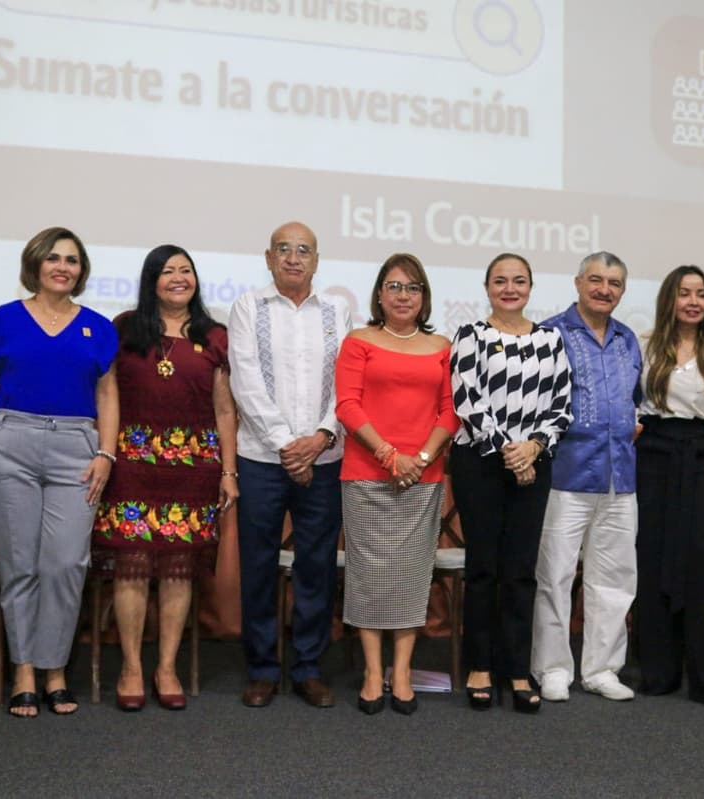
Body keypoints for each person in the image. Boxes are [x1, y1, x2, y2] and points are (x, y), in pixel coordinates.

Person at [92, 245, 239, 712]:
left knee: (178, 568)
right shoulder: (124, 329)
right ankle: (133, 667)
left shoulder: (214, 335)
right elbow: (107, 393)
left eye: (187, 270)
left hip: (195, 468)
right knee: (132, 566)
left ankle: (167, 667)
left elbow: (224, 408)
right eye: (168, 271)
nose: (179, 278)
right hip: (132, 465)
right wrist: (107, 454)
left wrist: (229, 471)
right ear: (151, 280)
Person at [0, 227, 118, 717]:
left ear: (81, 271)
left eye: (73, 260)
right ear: (36, 264)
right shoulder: (2, 320)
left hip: (76, 451)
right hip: (11, 442)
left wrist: (107, 453)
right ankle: (24, 669)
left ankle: (55, 668)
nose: (63, 266)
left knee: (65, 564)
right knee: (20, 564)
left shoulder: (99, 327)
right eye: (54, 258)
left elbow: (106, 394)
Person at [228, 221, 351, 708]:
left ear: (316, 261)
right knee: (257, 565)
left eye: (304, 251)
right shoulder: (247, 307)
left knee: (316, 567)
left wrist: (319, 438)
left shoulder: (338, 310)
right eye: (284, 249)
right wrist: (287, 446)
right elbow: (246, 380)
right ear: (268, 257)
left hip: (325, 458)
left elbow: (348, 380)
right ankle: (261, 668)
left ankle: (308, 667)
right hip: (261, 458)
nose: (294, 258)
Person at [335, 253, 459, 715]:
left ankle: (402, 672)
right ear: (379, 294)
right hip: (368, 473)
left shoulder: (443, 346)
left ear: (424, 296)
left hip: (423, 477)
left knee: (410, 578)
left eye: (413, 288)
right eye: (394, 286)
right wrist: (389, 456)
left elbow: (451, 412)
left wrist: (421, 457)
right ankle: (372, 672)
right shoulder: (359, 341)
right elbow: (347, 405)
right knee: (369, 578)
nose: (403, 295)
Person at [450, 252, 572, 713]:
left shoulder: (551, 339)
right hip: (480, 462)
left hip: (535, 464)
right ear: (486, 287)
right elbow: (467, 400)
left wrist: (533, 448)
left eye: (518, 281)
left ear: (530, 288)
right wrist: (510, 450)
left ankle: (517, 668)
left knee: (521, 571)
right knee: (484, 567)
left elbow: (561, 405)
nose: (509, 288)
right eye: (500, 280)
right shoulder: (470, 335)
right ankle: (480, 665)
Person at [531, 252, 641, 703]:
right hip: (565, 473)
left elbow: (637, 397)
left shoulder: (628, 338)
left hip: (621, 476)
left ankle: (601, 669)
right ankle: (553, 668)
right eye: (596, 280)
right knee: (554, 575)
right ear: (578, 283)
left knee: (614, 578)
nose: (604, 289)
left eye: (614, 283)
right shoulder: (550, 333)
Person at [635, 265, 704, 708]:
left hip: (702, 456)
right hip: (654, 452)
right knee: (654, 555)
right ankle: (658, 672)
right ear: (670, 299)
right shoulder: (644, 345)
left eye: (701, 293)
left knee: (699, 558)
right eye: (684, 293)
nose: (693, 301)